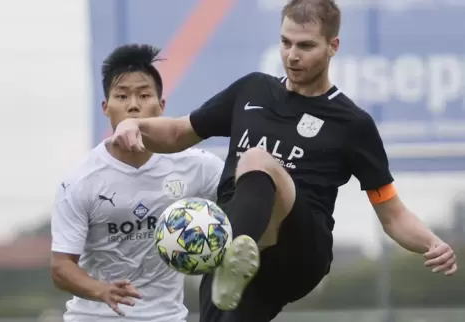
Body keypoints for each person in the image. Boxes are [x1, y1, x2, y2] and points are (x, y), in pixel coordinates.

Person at [110, 0, 458, 321]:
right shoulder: (252, 90)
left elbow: (392, 213)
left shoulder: (352, 123)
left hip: (299, 251)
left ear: (332, 46)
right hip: (238, 247)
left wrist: (432, 243)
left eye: (305, 45)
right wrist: (133, 123)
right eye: (286, 42)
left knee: (259, 160)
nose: (292, 55)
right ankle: (232, 259)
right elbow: (176, 132)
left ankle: (231, 252)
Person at [50, 44, 224, 322]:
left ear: (161, 106)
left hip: (166, 317)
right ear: (106, 108)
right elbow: (60, 267)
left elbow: (247, 195)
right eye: (122, 96)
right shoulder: (80, 181)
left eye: (144, 95)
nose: (133, 104)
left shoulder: (198, 166)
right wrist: (101, 290)